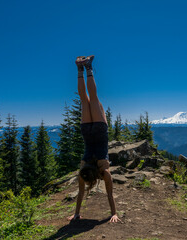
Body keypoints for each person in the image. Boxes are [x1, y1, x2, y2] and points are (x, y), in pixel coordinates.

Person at [67, 55, 121, 223]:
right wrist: (114, 214)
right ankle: (80, 69)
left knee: (93, 97)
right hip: (87, 132)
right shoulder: (83, 168)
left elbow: (107, 194)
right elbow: (107, 194)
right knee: (85, 100)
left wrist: (114, 212)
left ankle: (88, 67)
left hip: (99, 129)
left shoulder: (104, 172)